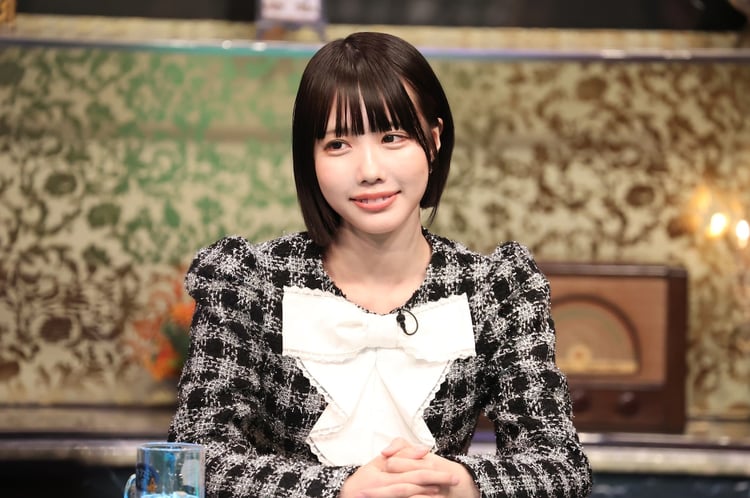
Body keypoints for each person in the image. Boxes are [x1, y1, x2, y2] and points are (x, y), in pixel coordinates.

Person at [168, 31, 592, 498]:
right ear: (309, 157)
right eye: (338, 144)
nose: (369, 170)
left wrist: (464, 481)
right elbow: (194, 457)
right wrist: (340, 491)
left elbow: (560, 465)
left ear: (434, 139)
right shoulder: (249, 283)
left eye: (392, 137)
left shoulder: (496, 289)